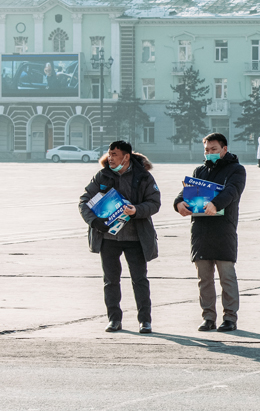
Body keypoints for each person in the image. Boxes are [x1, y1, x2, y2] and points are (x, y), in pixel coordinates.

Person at [78, 141, 161, 334]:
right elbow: (84, 201)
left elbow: (154, 203)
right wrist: (94, 222)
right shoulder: (102, 175)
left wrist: (137, 210)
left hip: (136, 238)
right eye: (109, 153)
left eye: (114, 154)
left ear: (126, 157)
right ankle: (114, 319)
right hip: (108, 238)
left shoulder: (143, 176)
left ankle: (145, 321)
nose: (110, 157)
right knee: (111, 280)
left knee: (139, 280)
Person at [173, 133, 247, 332]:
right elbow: (185, 192)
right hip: (201, 231)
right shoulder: (199, 171)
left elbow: (233, 191)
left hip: (224, 230)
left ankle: (230, 317)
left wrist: (216, 204)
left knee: (227, 276)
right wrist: (178, 203)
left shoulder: (236, 170)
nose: (209, 153)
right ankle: (208, 317)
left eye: (214, 149)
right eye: (206, 150)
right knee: (204, 278)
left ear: (224, 149)